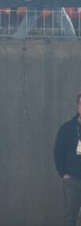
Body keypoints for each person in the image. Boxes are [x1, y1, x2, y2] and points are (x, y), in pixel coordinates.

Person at [54, 93, 81, 226]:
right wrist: (63, 174)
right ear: (78, 106)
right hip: (72, 182)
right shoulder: (67, 129)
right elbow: (58, 153)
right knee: (70, 219)